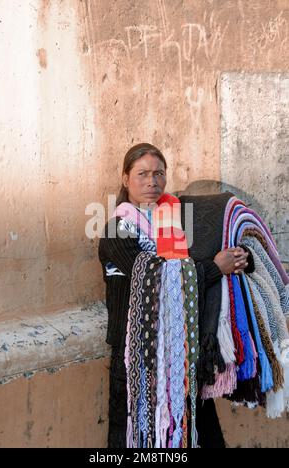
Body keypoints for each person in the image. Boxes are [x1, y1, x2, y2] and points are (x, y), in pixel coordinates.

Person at [98, 143, 253, 448]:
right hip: (136, 353)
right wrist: (214, 267)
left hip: (183, 350)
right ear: (126, 178)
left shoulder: (178, 218)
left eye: (159, 173)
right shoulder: (117, 229)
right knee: (141, 438)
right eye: (142, 174)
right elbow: (155, 276)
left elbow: (216, 237)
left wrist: (241, 255)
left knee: (197, 433)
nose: (152, 181)